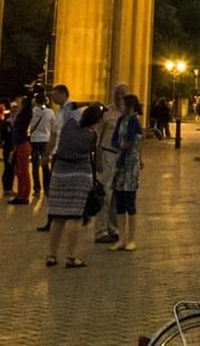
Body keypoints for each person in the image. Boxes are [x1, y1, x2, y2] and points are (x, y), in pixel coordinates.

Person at [44, 103, 102, 267]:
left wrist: (83, 104)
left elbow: (69, 108)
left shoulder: (69, 125)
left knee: (58, 216)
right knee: (74, 217)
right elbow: (93, 153)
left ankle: (52, 255)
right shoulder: (91, 134)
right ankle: (71, 256)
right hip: (80, 176)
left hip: (59, 173)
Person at [94, 82, 129, 246]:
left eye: (123, 94)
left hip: (122, 158)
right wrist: (97, 158)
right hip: (107, 154)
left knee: (117, 195)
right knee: (105, 194)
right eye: (117, 93)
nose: (120, 97)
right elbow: (97, 136)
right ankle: (100, 231)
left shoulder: (129, 114)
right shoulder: (106, 113)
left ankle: (113, 228)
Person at [109, 94, 145, 251]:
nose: (120, 107)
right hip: (120, 159)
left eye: (123, 105)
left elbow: (131, 143)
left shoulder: (133, 121)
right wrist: (118, 146)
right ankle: (121, 238)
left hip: (129, 163)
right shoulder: (120, 120)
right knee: (120, 201)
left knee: (130, 200)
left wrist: (121, 155)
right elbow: (114, 139)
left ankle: (131, 238)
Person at [27, 92, 55, 194]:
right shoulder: (50, 112)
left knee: (35, 165)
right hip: (46, 140)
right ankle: (47, 188)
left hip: (34, 140)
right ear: (46, 101)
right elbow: (53, 126)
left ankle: (36, 188)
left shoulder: (32, 112)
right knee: (45, 165)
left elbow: (29, 125)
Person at [9, 95, 33, 205]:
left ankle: (24, 195)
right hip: (21, 144)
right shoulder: (22, 115)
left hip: (21, 145)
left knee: (22, 171)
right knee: (20, 171)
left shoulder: (22, 116)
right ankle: (21, 193)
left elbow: (17, 131)